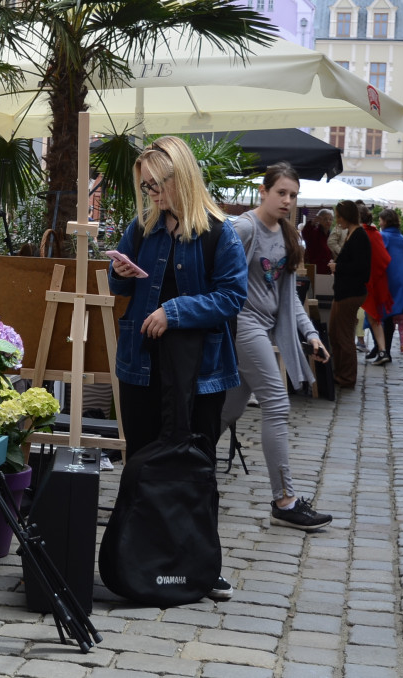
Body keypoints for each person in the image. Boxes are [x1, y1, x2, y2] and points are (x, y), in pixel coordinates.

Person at [108, 137, 247, 598]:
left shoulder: (217, 232)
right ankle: (144, 561)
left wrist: (176, 311)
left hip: (199, 375)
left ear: (180, 177)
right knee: (144, 467)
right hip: (141, 369)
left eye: (157, 184)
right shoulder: (141, 229)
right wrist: (120, 272)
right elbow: (119, 284)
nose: (151, 194)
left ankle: (200, 565)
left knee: (196, 469)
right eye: (145, 186)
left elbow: (232, 297)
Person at [219, 163, 332, 533]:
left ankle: (182, 469)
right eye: (281, 192)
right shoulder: (243, 228)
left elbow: (288, 296)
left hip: (266, 328)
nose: (287, 200)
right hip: (242, 326)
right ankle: (285, 500)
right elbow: (217, 277)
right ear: (263, 191)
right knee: (277, 404)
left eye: (293, 195)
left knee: (228, 410)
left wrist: (310, 334)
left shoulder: (287, 234)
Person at [328, 201, 370, 388]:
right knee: (335, 333)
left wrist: (338, 267)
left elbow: (362, 269)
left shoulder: (359, 236)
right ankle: (339, 372)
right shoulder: (352, 234)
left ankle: (346, 377)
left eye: (339, 216)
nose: (337, 220)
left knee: (343, 335)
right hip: (344, 292)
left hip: (350, 293)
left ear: (347, 216)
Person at [357, 203, 393, 366]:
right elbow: (384, 258)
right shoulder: (375, 233)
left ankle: (376, 349)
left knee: (368, 317)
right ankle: (382, 351)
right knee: (374, 318)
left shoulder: (360, 233)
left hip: (365, 281)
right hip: (377, 280)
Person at [378, 210, 403, 356]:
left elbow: (379, 257)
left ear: (385, 221)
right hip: (402, 278)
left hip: (389, 278)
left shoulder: (384, 236)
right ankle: (386, 351)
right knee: (390, 315)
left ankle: (383, 351)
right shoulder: (399, 237)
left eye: (380, 220)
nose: (379, 223)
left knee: (382, 316)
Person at [301, 209, 334, 274]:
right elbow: (305, 233)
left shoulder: (332, 235)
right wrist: (313, 222)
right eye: (325, 219)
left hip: (329, 270)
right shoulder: (314, 232)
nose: (328, 221)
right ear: (319, 220)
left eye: (330, 219)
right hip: (315, 269)